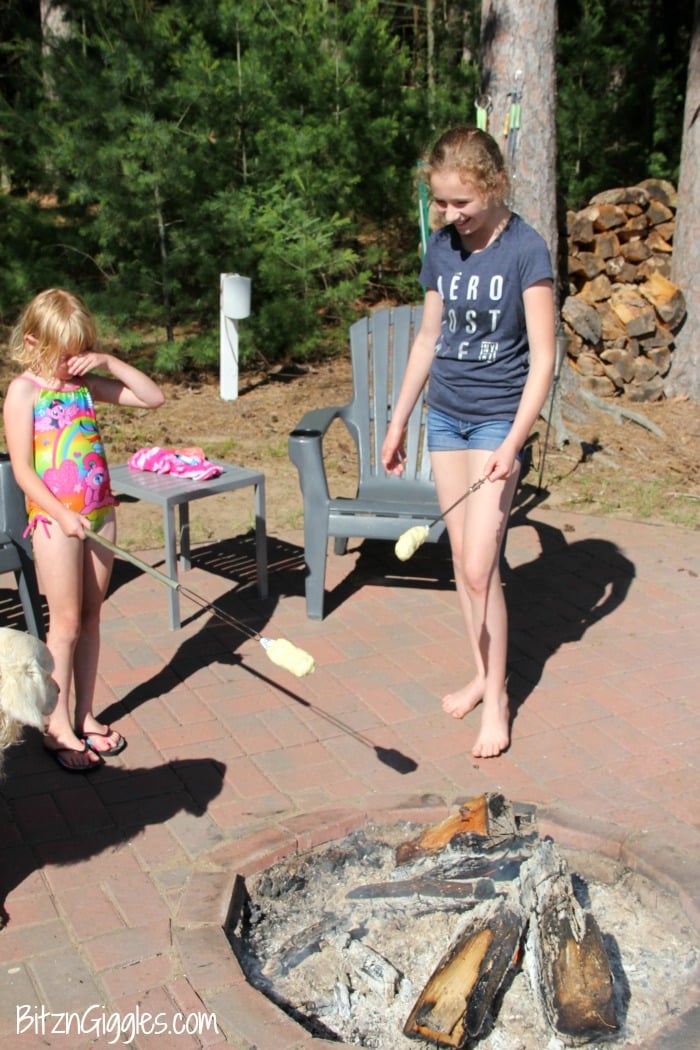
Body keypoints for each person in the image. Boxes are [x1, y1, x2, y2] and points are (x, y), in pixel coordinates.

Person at [381, 127, 555, 759]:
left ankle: (499, 697)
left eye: (461, 203)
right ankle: (481, 674)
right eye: (440, 203)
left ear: (493, 186)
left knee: (482, 565)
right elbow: (428, 339)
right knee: (462, 565)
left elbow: (543, 361)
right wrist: (401, 420)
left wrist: (515, 440)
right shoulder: (440, 248)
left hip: (495, 424)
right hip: (446, 419)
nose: (449, 215)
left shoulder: (526, 252)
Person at [3, 288, 165, 771]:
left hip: (99, 513)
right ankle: (57, 728)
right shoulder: (23, 391)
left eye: (79, 353)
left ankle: (85, 714)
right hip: (55, 521)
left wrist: (109, 362)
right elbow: (23, 471)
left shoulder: (83, 385)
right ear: (33, 343)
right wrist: (60, 512)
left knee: (93, 618)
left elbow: (152, 398)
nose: (71, 363)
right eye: (63, 354)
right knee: (67, 624)